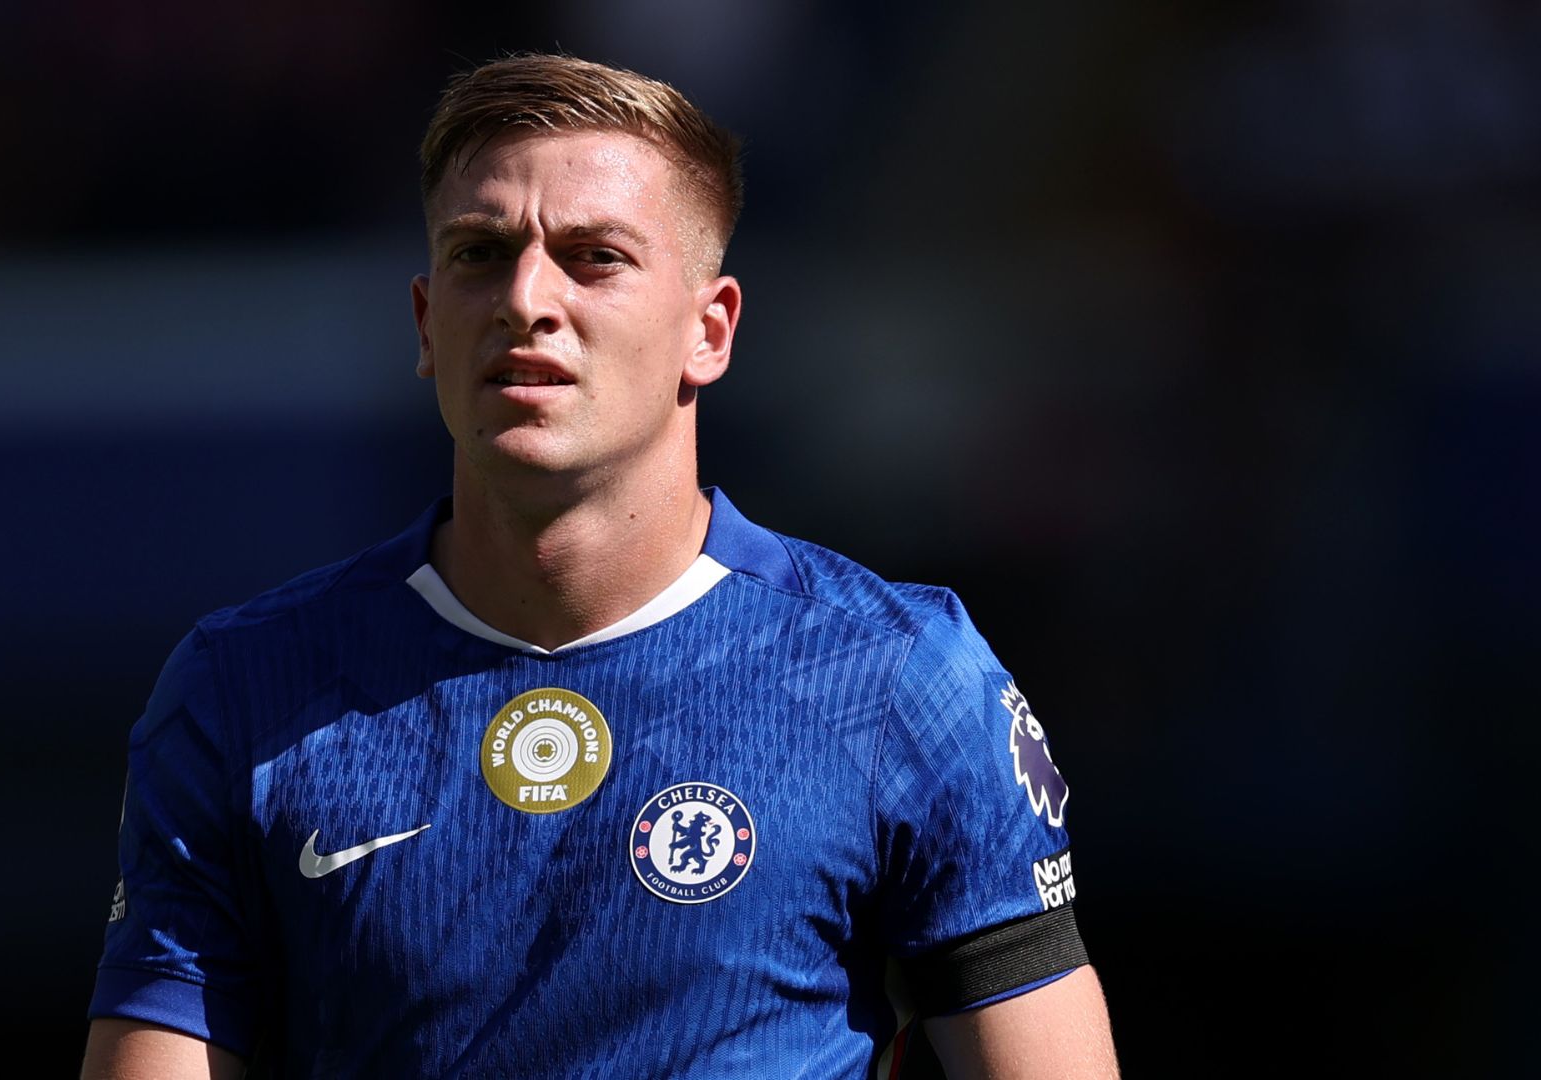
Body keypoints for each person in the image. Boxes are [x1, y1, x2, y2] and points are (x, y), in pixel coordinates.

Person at [81, 53, 1119, 1080]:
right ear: (425, 325)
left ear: (708, 331)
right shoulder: (246, 689)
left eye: (594, 257)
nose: (526, 297)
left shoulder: (901, 678)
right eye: (480, 253)